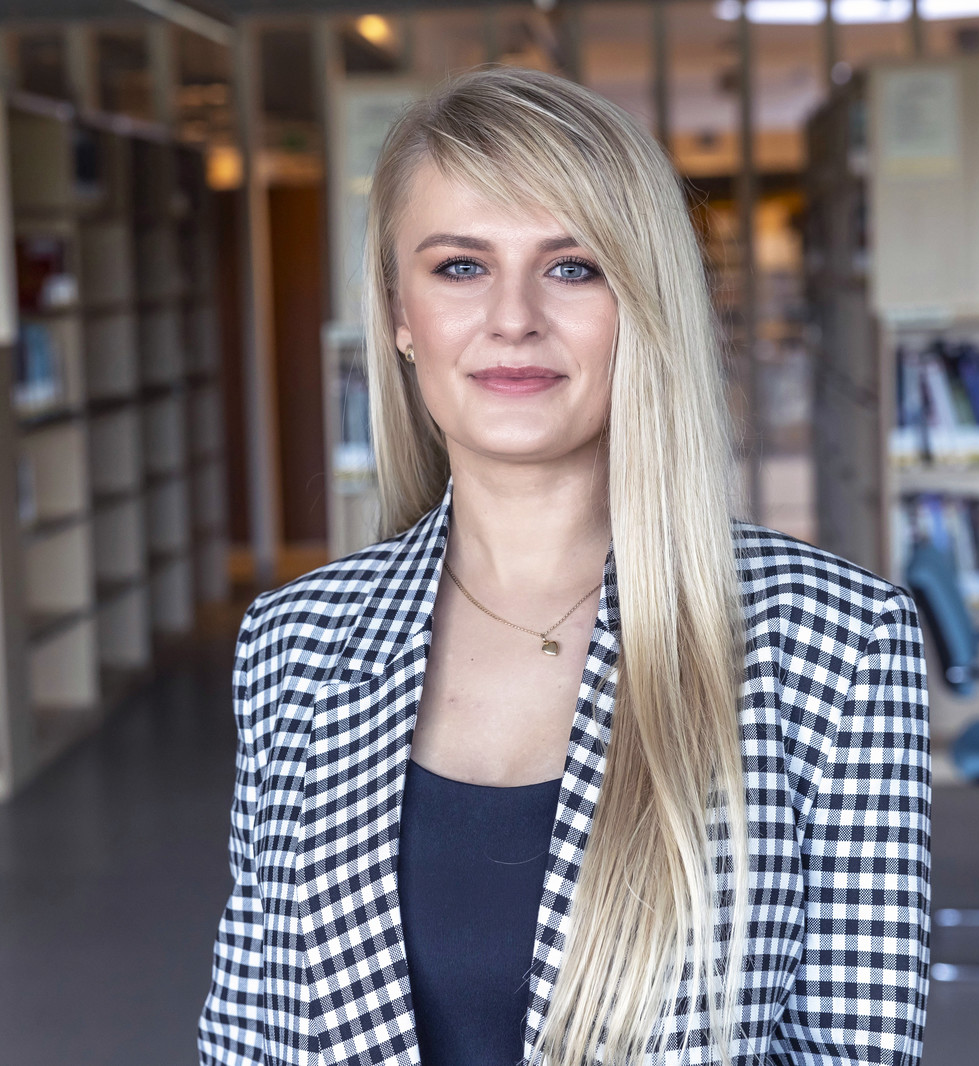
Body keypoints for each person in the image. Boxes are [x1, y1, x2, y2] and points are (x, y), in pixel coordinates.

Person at [198, 65, 931, 1066]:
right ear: (400, 313)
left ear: (643, 299)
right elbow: (248, 1039)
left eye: (573, 267)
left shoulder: (836, 645)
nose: (513, 318)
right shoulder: (293, 645)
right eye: (461, 266)